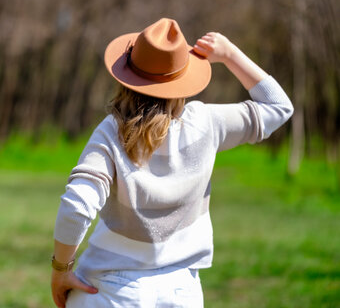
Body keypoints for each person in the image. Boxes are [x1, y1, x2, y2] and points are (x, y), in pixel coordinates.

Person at [50, 18, 294, 308]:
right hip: (183, 292)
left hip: (109, 292)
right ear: (182, 82)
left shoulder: (111, 132)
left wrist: (61, 270)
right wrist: (229, 54)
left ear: (126, 76)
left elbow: (77, 206)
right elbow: (279, 107)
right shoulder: (206, 123)